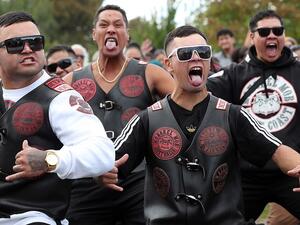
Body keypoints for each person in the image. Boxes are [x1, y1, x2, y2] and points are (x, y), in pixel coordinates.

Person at [100, 24, 300, 225]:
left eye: (203, 52)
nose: (196, 57)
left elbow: (278, 151)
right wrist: (103, 173)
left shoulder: (233, 115)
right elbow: (109, 164)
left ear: (209, 61)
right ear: (168, 64)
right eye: (185, 54)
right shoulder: (147, 119)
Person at [63, 4, 174, 225]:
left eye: (118, 25)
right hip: (87, 182)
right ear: (94, 34)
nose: (111, 29)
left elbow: (187, 103)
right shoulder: (71, 81)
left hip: (139, 179)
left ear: (127, 34)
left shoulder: (150, 73)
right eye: (104, 25)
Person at [0, 11, 115, 225]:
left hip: (32, 217)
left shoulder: (61, 98)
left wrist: (50, 160)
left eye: (35, 42)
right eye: (15, 44)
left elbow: (102, 151)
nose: (27, 49)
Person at [207, 9, 300, 225]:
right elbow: (195, 92)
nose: (272, 36)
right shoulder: (233, 74)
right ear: (252, 36)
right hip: (246, 174)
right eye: (264, 31)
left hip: (291, 172)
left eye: (278, 30)